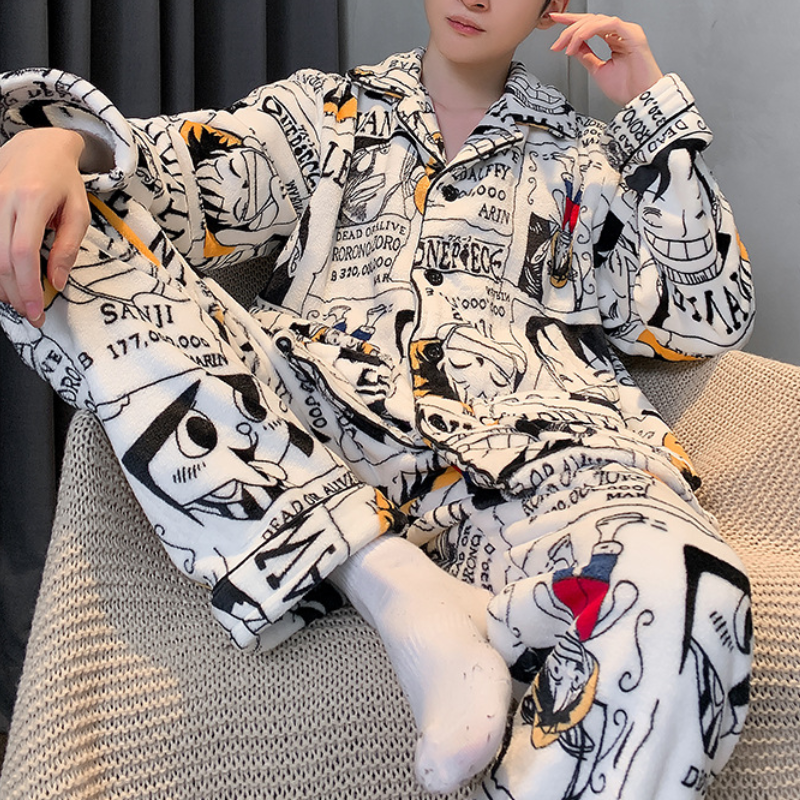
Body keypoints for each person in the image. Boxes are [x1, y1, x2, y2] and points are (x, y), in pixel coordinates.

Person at [0, 1, 755, 797]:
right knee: (52, 224)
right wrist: (54, 142)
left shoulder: (586, 161)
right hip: (316, 445)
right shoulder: (322, 116)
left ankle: (414, 593)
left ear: (551, 7)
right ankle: (389, 579)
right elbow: (164, 175)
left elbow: (705, 317)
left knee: (685, 586)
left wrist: (649, 112)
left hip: (542, 467)